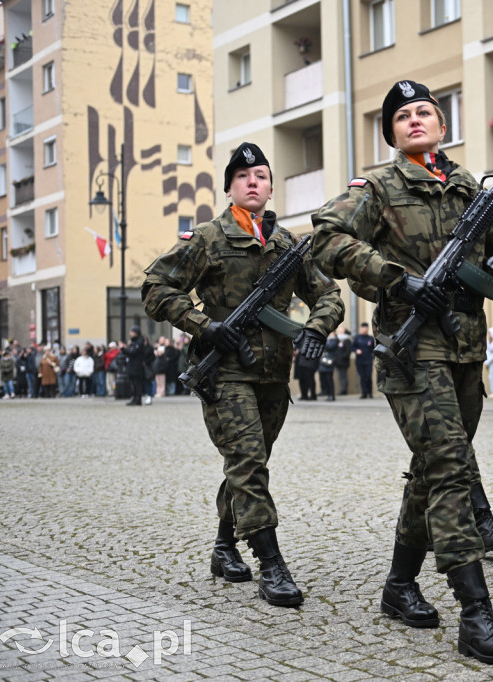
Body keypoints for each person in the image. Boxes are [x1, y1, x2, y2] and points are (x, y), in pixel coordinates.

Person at [310, 79, 493, 664]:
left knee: (430, 469)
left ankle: (397, 585)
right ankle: (476, 614)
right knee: (450, 469)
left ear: (442, 126)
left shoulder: (470, 187)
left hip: (466, 348)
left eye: (425, 112)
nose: (415, 120)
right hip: (413, 350)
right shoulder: (379, 187)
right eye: (403, 116)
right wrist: (396, 278)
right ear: (391, 132)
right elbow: (326, 238)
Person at [143, 141, 344, 608]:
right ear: (231, 187)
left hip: (274, 375)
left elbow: (329, 295)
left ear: (271, 189)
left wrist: (316, 327)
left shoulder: (288, 245)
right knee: (249, 461)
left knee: (247, 466)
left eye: (262, 176)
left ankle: (223, 546)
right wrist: (204, 326)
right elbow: (156, 287)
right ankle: (271, 564)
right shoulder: (209, 239)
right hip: (225, 374)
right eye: (243, 176)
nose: (253, 182)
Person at [121, 329, 148, 405]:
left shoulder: (139, 342)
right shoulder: (134, 341)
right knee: (133, 383)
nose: (130, 333)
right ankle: (134, 398)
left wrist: (123, 349)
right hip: (133, 365)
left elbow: (133, 352)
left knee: (137, 384)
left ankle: (137, 399)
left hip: (136, 366)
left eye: (132, 332)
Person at [351, 322, 375, 399]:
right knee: (363, 377)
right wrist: (356, 350)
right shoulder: (357, 338)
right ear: (361, 328)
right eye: (363, 328)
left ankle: (370, 393)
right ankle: (364, 393)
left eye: (366, 328)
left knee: (368, 376)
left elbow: (374, 349)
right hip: (360, 360)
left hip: (368, 360)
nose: (364, 329)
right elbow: (352, 347)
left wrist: (373, 356)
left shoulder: (370, 338)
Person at [319, 331, 338, 401]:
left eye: (331, 333)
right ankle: (328, 394)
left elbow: (329, 347)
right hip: (324, 362)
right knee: (325, 380)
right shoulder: (328, 340)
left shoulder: (335, 340)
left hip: (329, 362)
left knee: (329, 380)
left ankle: (331, 395)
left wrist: (323, 341)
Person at [334, 326, 352, 395]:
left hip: (343, 362)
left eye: (341, 330)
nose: (340, 331)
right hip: (337, 361)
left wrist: (342, 357)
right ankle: (342, 389)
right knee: (340, 376)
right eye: (339, 330)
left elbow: (347, 351)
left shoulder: (347, 340)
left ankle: (344, 390)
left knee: (343, 376)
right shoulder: (337, 339)